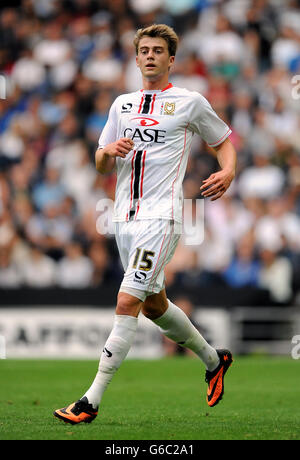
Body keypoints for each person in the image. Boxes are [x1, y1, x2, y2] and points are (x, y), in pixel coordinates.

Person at [54, 24, 237, 425]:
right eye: (144, 50)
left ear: (171, 60)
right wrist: (108, 150)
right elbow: (100, 160)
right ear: (136, 58)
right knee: (154, 305)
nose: (150, 55)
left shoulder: (189, 102)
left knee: (126, 302)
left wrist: (229, 171)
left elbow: (223, 140)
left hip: (163, 217)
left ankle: (90, 400)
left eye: (158, 50)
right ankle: (213, 360)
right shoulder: (121, 105)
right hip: (122, 218)